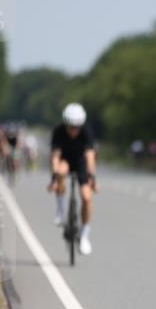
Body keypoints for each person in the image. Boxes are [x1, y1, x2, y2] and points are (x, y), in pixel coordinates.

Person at [48, 103, 98, 255]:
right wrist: (54, 178)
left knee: (87, 197)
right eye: (70, 127)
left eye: (77, 127)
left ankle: (84, 235)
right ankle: (61, 209)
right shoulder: (58, 131)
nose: (74, 131)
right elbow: (55, 157)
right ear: (65, 124)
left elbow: (90, 156)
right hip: (65, 160)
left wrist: (92, 178)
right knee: (61, 172)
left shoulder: (86, 131)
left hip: (81, 162)